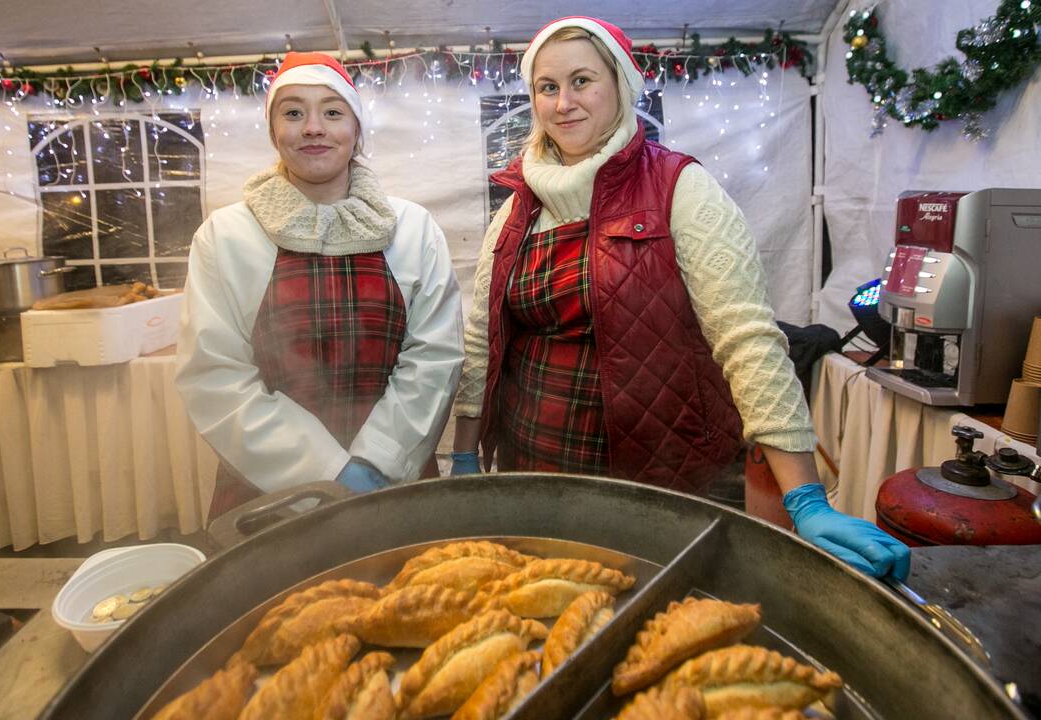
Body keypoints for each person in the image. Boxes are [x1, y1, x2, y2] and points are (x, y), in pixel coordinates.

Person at [449, 17, 909, 581]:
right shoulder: (516, 209)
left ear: (620, 85)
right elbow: (482, 343)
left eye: (582, 81)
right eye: (548, 87)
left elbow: (746, 339)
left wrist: (805, 498)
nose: (563, 102)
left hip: (656, 477)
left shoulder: (678, 189)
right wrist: (465, 456)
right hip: (535, 469)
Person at [176, 52, 463, 517]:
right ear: (274, 133)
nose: (313, 127)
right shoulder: (225, 235)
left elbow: (434, 358)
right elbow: (216, 374)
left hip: (393, 482)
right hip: (273, 491)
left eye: (332, 112)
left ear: (357, 130)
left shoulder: (413, 227)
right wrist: (324, 474)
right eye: (293, 113)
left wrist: (376, 463)